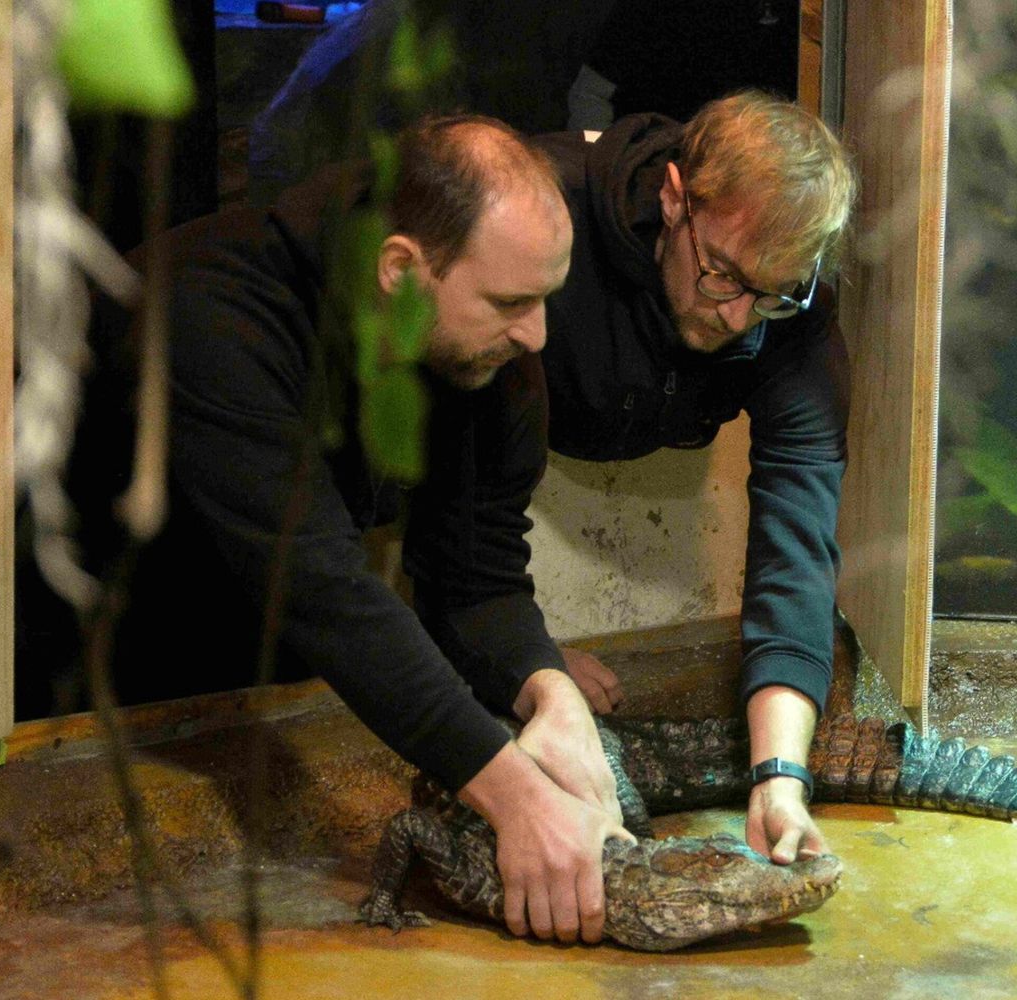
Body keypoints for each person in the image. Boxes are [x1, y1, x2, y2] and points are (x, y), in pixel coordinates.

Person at [70, 114, 632, 944]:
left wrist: (546, 689)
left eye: (549, 297)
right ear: (400, 270)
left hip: (268, 671)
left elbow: (477, 574)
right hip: (89, 670)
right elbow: (323, 588)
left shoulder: (486, 352)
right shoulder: (212, 316)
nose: (538, 335)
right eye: (512, 301)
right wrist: (519, 797)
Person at [533, 90, 857, 866]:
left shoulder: (789, 311)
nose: (740, 318)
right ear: (674, 198)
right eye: (724, 276)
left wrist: (781, 777)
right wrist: (520, 656)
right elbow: (453, 470)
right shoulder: (541, 224)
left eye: (774, 294)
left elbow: (796, 538)